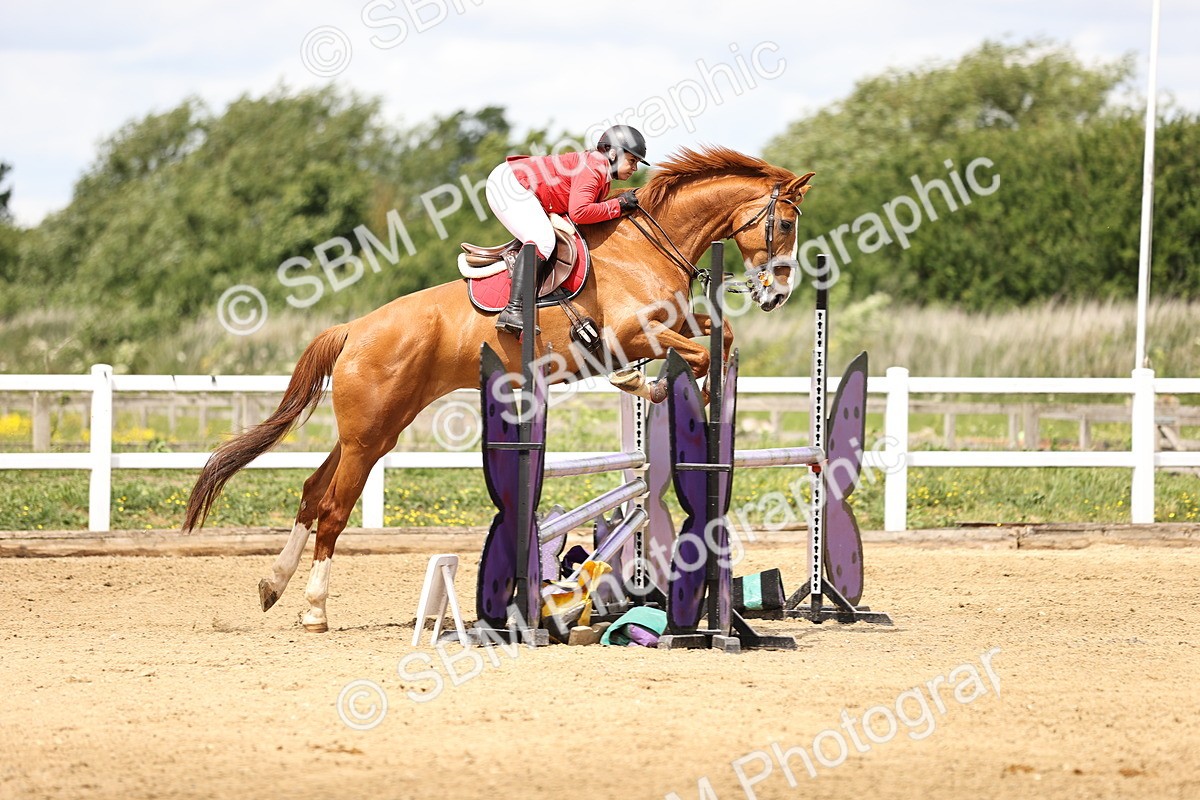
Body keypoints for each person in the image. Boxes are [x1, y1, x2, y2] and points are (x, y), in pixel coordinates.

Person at [485, 125, 650, 335]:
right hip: (510, 185)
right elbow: (579, 212)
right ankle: (513, 309)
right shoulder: (594, 167)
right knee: (543, 240)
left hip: (518, 184)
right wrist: (618, 206)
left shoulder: (601, 174)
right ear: (613, 153)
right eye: (632, 160)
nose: (635, 168)